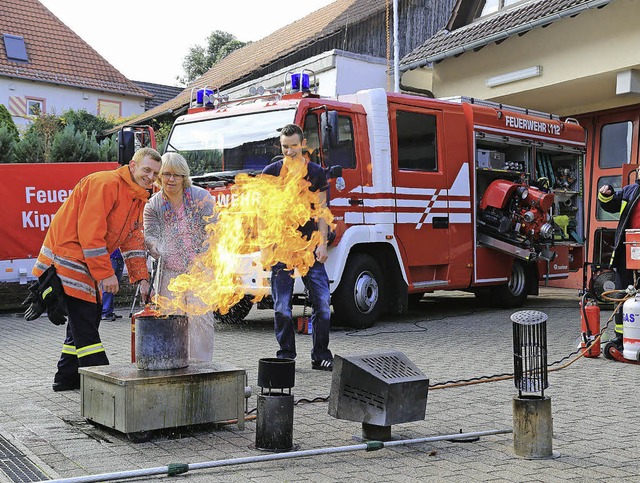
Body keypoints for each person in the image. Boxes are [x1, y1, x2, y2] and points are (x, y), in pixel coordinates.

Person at [30, 147, 161, 391]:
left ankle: (66, 378)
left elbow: (132, 240)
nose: (151, 177)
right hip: (67, 261)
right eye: (146, 170)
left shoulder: (136, 197)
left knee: (82, 324)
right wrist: (105, 273)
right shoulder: (105, 183)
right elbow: (90, 234)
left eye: (155, 173)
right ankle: (106, 389)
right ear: (132, 166)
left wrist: (142, 278)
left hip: (81, 264)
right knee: (87, 326)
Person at [262, 123, 333, 371]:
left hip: (310, 249)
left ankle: (321, 355)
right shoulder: (271, 172)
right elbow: (263, 214)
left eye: (293, 146)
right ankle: (286, 355)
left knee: (323, 305)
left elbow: (323, 211)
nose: (289, 151)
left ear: (303, 144)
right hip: (282, 249)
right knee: (282, 307)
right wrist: (266, 247)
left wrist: (322, 245)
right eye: (284, 147)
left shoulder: (316, 173)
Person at [144, 152, 216, 362]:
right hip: (170, 273)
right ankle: (175, 362)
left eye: (177, 175)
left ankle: (202, 365)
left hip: (200, 270)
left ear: (185, 177)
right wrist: (156, 246)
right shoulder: (153, 205)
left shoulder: (201, 197)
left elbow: (215, 228)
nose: (171, 179)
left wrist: (208, 258)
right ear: (159, 177)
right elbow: (149, 234)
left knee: (201, 320)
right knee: (171, 319)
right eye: (166, 174)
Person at [598, 175, 640, 343]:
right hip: (627, 254)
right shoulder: (631, 191)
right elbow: (611, 203)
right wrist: (606, 194)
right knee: (624, 294)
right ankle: (622, 337)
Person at [101, 249, 124, 321]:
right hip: (111, 257)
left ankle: (109, 311)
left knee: (113, 286)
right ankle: (104, 312)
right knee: (108, 286)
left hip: (119, 257)